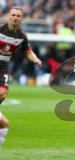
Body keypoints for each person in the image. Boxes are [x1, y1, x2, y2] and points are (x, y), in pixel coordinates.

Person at [0, 7, 42, 146]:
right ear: (9, 17)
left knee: (3, 95)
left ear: (21, 18)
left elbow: (28, 51)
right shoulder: (1, 30)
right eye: (13, 15)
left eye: (18, 15)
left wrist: (35, 59)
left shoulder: (21, 36)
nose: (15, 17)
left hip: (3, 66)